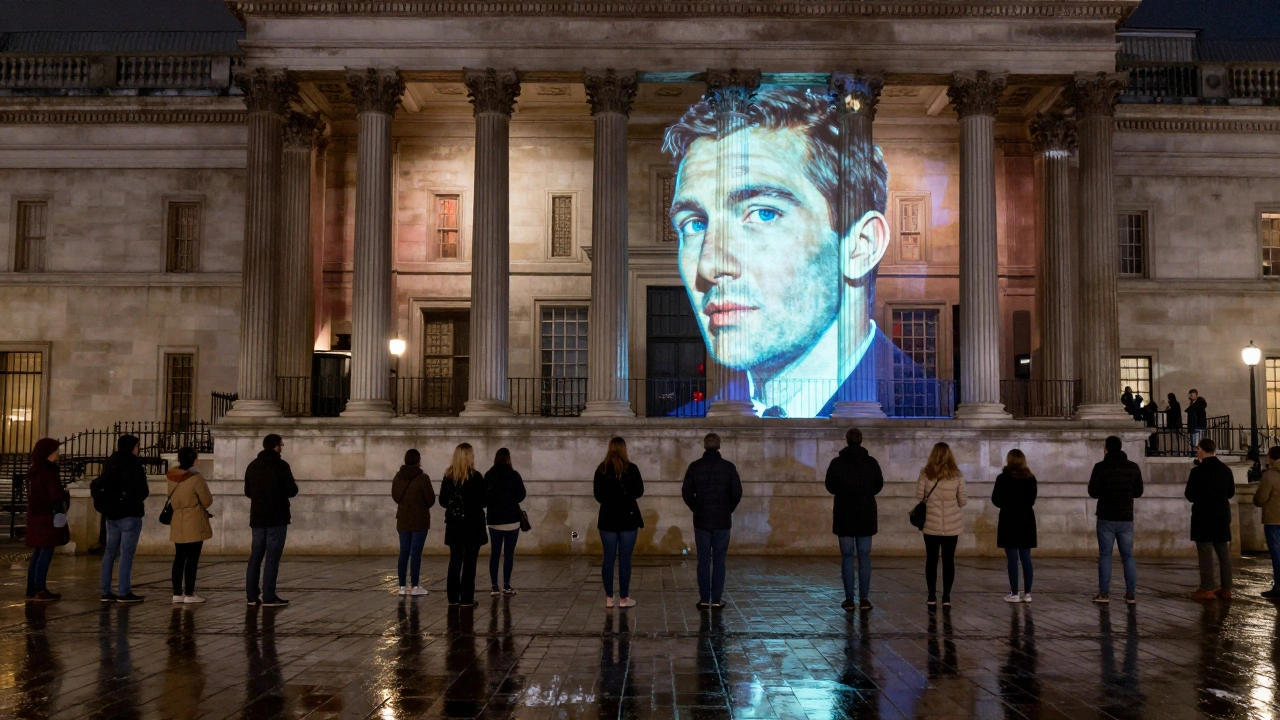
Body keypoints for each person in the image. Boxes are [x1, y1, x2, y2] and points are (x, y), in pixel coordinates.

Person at [664, 84, 928, 419]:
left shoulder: (929, 408)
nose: (709, 265)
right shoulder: (689, 420)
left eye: (763, 214)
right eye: (695, 224)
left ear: (861, 246)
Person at [823, 427, 884, 611]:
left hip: (844, 513)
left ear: (847, 440)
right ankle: (864, 598)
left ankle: (849, 599)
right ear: (861, 441)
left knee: (847, 556)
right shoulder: (871, 463)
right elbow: (878, 485)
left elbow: (830, 486)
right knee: (864, 556)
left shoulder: (837, 463)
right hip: (865, 513)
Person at [681, 433, 743, 610]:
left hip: (702, 519)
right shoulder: (728, 467)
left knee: (703, 560)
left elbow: (686, 492)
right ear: (719, 446)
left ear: (704, 446)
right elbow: (737, 493)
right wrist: (727, 508)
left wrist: (697, 507)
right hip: (722, 520)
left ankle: (703, 598)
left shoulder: (695, 467)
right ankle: (716, 598)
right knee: (719, 560)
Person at [1088, 436, 1144, 604]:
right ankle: (1131, 594)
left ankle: (1104, 593)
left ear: (1106, 449)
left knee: (1105, 555)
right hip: (1126, 517)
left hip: (1106, 516)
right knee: (1128, 556)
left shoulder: (1100, 467)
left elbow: (1093, 492)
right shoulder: (1133, 467)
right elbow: (1139, 491)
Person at [244, 433, 298, 607]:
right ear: (276, 446)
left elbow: (247, 491)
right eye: (280, 445)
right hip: (277, 517)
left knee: (256, 556)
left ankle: (252, 596)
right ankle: (269, 595)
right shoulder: (281, 465)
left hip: (258, 517)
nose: (281, 447)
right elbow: (292, 490)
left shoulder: (253, 465)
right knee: (272, 558)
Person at [593, 436, 644, 609]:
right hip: (628, 517)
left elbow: (598, 496)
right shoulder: (632, 469)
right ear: (624, 449)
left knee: (608, 558)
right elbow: (639, 491)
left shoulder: (601, 469)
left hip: (608, 518)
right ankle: (623, 598)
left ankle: (609, 598)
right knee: (624, 559)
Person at [97, 434, 149, 603]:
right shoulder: (133, 464)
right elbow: (142, 489)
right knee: (126, 553)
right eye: (137, 445)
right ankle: (124, 591)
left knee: (110, 552)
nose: (138, 448)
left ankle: (105, 590)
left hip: (112, 513)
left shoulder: (111, 462)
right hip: (129, 513)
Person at [915, 442, 967, 607]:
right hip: (952, 527)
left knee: (931, 560)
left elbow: (919, 496)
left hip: (931, 524)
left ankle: (931, 596)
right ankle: (946, 597)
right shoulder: (957, 475)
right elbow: (963, 501)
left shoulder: (925, 473)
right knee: (948, 560)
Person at [1185, 438, 1235, 600]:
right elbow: (1230, 493)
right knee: (1223, 552)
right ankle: (1226, 588)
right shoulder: (1225, 470)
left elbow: (1190, 495)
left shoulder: (1197, 471)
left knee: (1205, 552)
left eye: (1198, 449)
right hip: (1221, 515)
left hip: (1203, 516)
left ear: (1201, 450)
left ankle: (1207, 588)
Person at [439, 443, 487, 608]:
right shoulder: (476, 477)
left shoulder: (448, 477)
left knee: (455, 560)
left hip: (455, 525)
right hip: (472, 525)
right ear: (468, 456)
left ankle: (453, 597)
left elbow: (443, 501)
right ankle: (466, 598)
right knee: (470, 562)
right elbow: (483, 501)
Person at [166, 446, 213, 604]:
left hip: (177, 518)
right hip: (193, 519)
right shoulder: (196, 477)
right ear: (193, 459)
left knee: (179, 557)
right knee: (192, 559)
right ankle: (190, 593)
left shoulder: (172, 475)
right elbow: (207, 500)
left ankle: (177, 592)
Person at [25, 438, 69, 601]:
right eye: (56, 450)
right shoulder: (49, 470)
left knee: (38, 551)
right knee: (46, 551)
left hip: (35, 515)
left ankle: (32, 589)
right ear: (49, 453)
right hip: (47, 517)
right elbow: (55, 494)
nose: (58, 453)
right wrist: (65, 494)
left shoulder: (35, 469)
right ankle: (40, 589)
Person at [991, 449, 1037, 603]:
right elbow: (1031, 500)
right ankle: (1028, 593)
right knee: (1026, 557)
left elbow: (996, 500)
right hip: (1026, 520)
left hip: (1008, 519)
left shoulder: (1002, 478)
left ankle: (1014, 593)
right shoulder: (1030, 479)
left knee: (1012, 558)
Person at [392, 448, 435, 597]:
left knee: (404, 552)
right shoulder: (423, 478)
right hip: (419, 521)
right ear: (418, 460)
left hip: (403, 520)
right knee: (415, 553)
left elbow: (396, 497)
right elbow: (430, 500)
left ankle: (402, 586)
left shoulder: (398, 477)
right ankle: (415, 586)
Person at [484, 447, 526, 597]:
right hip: (512, 520)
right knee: (509, 554)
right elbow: (521, 495)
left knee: (495, 553)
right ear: (508, 459)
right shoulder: (514, 475)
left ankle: (494, 586)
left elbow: (483, 498)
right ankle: (507, 585)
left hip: (494, 521)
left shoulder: (489, 475)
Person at [1253, 446, 1280, 599]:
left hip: (1274, 520)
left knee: (1277, 555)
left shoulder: (1270, 475)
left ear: (1270, 458)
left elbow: (1260, 498)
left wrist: (1256, 501)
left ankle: (1279, 587)